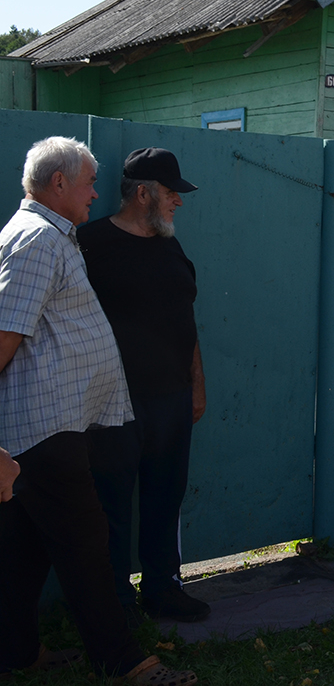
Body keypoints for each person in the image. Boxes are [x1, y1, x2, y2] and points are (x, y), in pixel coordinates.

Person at [0, 137, 196, 685]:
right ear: (58, 184)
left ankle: (16, 650)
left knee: (24, 549)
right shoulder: (38, 239)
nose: (94, 192)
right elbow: (4, 335)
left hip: (59, 420)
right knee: (86, 545)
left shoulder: (50, 236)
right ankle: (126, 663)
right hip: (44, 423)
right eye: (87, 181)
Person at [78, 147, 209, 626]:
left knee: (165, 495)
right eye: (172, 193)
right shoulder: (88, 244)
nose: (178, 202)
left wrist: (196, 385)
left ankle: (162, 589)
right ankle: (114, 604)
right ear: (142, 193)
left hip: (171, 399)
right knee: (110, 502)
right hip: (112, 401)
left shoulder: (169, 243)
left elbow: (186, 320)